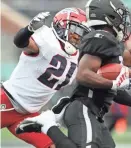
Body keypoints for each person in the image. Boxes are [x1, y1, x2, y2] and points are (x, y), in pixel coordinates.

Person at [16, 0, 131, 148]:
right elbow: (83, 75)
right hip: (84, 108)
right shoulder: (101, 37)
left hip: (95, 113)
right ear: (109, 15)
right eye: (121, 16)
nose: (124, 21)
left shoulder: (109, 43)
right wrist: (114, 83)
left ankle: (51, 119)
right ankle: (47, 125)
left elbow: (112, 91)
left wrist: (115, 85)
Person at [1, 7, 89, 148]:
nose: (79, 36)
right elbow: (21, 43)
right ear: (62, 25)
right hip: (8, 101)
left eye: (83, 33)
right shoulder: (48, 39)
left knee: (55, 145)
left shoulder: (78, 57)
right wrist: (28, 29)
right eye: (76, 30)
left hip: (29, 114)